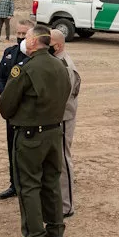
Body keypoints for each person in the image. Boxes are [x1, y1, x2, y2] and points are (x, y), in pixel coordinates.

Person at [0, 25, 71, 237]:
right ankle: (56, 230)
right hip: (54, 132)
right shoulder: (60, 65)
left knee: (28, 185)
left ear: (32, 41)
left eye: (26, 37)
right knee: (51, 182)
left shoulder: (26, 68)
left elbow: (6, 105)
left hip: (31, 135)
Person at [0, 19, 33, 200]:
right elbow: (1, 78)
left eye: (24, 34)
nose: (20, 37)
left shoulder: (36, 57)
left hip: (28, 113)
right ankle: (14, 184)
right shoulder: (10, 53)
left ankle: (30, 186)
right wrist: (7, 99)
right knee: (12, 148)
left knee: (29, 151)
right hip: (12, 112)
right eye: (18, 33)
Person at [49, 29, 82, 217]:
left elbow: (62, 97)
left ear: (58, 45)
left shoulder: (65, 66)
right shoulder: (55, 62)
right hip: (55, 118)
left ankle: (67, 206)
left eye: (48, 42)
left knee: (62, 161)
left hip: (62, 119)